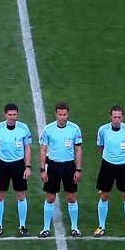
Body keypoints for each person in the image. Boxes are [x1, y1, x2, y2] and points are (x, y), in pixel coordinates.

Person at [94, 104, 125, 238]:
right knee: (104, 196)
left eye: (119, 117)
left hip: (124, 166)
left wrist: (124, 158)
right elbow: (101, 146)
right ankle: (101, 226)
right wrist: (109, 157)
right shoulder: (103, 130)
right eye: (114, 117)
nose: (117, 120)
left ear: (122, 118)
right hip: (107, 165)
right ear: (110, 117)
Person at [39, 102, 83, 238]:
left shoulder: (74, 129)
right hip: (53, 165)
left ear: (67, 114)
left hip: (69, 166)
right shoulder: (48, 129)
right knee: (51, 197)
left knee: (71, 196)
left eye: (65, 114)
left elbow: (78, 150)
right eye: (60, 114)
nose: (63, 117)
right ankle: (46, 228)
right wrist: (42, 169)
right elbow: (43, 150)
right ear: (56, 114)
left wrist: (78, 169)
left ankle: (75, 228)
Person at [0, 103, 33, 237]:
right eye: (10, 115)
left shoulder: (24, 128)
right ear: (5, 115)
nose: (12, 117)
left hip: (19, 165)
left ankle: (22, 226)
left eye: (15, 115)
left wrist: (28, 166)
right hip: (2, 164)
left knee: (21, 195)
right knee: (0, 195)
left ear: (17, 114)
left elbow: (27, 148)